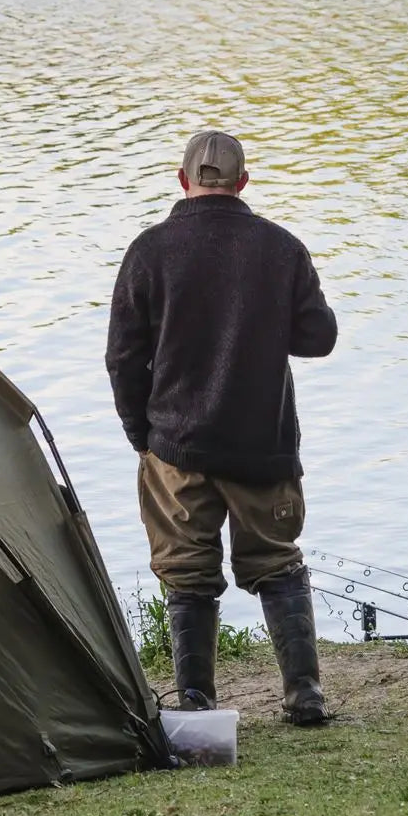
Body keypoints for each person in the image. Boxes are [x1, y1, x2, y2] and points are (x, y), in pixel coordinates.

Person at [106, 130, 338, 725]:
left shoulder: (149, 251)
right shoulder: (282, 248)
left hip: (176, 446)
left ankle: (194, 703)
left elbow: (123, 359)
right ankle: (304, 697)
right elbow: (319, 338)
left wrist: (142, 434)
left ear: (182, 179)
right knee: (278, 564)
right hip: (263, 445)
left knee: (187, 574)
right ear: (243, 182)